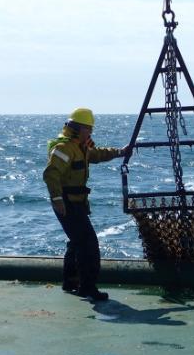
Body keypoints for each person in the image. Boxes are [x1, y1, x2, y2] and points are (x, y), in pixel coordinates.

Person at [43, 108, 131, 301]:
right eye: (88, 129)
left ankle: (70, 282)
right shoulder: (64, 148)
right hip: (67, 203)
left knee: (77, 242)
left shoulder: (80, 146)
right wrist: (58, 201)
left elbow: (96, 154)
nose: (90, 132)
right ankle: (87, 287)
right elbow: (51, 174)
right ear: (77, 128)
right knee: (89, 244)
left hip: (77, 202)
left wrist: (120, 152)